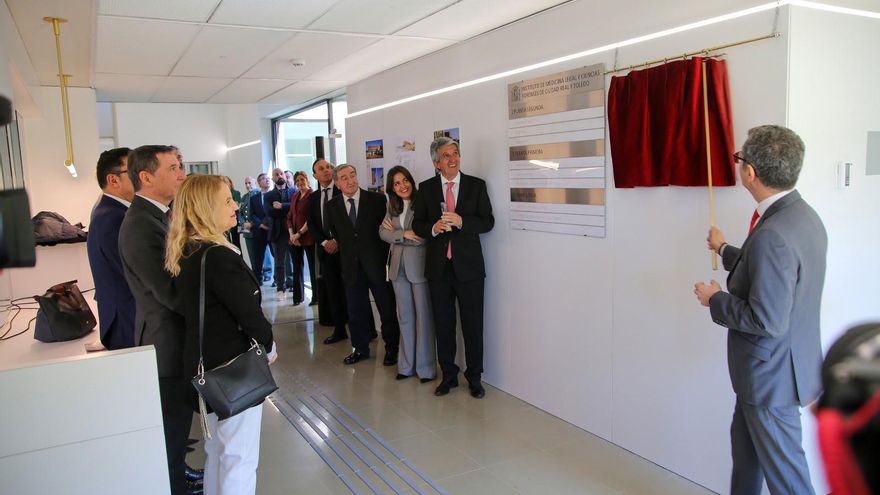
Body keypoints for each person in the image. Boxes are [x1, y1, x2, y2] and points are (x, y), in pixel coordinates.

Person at [694, 125, 827, 495]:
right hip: (778, 371)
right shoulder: (801, 217)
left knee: (789, 481)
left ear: (750, 172)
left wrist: (715, 299)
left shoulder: (772, 234)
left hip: (770, 379)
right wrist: (724, 250)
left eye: (740, 160)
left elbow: (765, 319)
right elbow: (773, 274)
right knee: (747, 461)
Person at [165, 174, 277, 495]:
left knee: (217, 453)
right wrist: (268, 346)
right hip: (232, 369)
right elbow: (249, 314)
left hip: (205, 369)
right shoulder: (218, 255)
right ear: (204, 208)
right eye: (227, 200)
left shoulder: (187, 250)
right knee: (239, 459)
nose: (235, 205)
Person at [118, 145, 196, 494]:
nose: (181, 174)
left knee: (178, 431)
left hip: (174, 341)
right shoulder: (139, 226)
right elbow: (171, 292)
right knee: (170, 434)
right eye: (174, 167)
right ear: (147, 176)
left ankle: (179, 477)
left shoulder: (158, 216)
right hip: (166, 345)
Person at [412, 136, 494, 399]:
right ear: (436, 162)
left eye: (455, 153)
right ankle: (448, 375)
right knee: (443, 324)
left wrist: (461, 221)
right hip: (439, 269)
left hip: (469, 269)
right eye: (446, 155)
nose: (453, 159)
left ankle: (475, 376)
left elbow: (488, 221)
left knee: (473, 325)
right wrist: (433, 229)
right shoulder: (425, 188)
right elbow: (419, 224)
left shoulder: (475, 185)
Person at [324, 164, 400, 365]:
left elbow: (385, 231)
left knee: (387, 309)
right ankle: (360, 349)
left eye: (352, 175)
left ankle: (392, 349)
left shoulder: (376, 200)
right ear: (337, 184)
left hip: (376, 265)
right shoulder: (331, 207)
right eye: (344, 178)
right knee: (356, 311)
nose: (350, 181)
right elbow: (337, 235)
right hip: (351, 268)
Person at [380, 166, 436, 382]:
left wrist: (397, 234)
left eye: (405, 181)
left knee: (423, 317)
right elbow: (382, 232)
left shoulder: (422, 202)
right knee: (404, 317)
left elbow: (424, 236)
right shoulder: (392, 206)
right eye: (396, 183)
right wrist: (404, 234)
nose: (402, 186)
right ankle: (406, 366)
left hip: (419, 267)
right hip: (397, 268)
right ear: (391, 187)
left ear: (411, 181)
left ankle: (426, 369)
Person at [86, 147, 136, 350]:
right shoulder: (113, 218)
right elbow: (132, 274)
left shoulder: (113, 212)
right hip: (127, 321)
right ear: (113, 180)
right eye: (132, 171)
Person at [307, 159, 349, 344]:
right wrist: (325, 242)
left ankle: (368, 329)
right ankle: (339, 330)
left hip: (346, 249)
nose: (326, 171)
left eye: (329, 167)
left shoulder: (343, 190)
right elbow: (313, 225)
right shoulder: (314, 198)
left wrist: (338, 241)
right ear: (315, 175)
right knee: (333, 292)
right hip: (326, 252)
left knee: (353, 290)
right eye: (321, 169)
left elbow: (350, 220)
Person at [286, 171, 315, 306]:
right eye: (297, 180)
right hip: (294, 238)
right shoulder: (295, 196)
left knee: (312, 267)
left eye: (302, 179)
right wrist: (292, 235)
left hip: (308, 236)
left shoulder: (313, 195)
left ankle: (316, 296)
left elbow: (311, 218)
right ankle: (298, 297)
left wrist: (299, 234)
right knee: (296, 267)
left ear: (307, 180)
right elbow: (290, 216)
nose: (299, 182)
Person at [266, 168, 293, 300]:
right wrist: (287, 209)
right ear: (273, 178)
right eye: (276, 174)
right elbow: (270, 212)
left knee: (294, 260)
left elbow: (295, 208)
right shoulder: (269, 195)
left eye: (281, 173)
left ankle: (293, 284)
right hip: (278, 232)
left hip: (293, 231)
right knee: (280, 262)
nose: (279, 176)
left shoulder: (294, 191)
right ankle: (280, 288)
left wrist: (282, 206)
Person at [247, 173, 273, 283]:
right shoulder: (254, 198)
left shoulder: (274, 195)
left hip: (273, 229)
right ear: (259, 183)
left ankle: (278, 280)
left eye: (268, 178)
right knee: (258, 257)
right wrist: (260, 224)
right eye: (263, 179)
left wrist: (269, 224)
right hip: (259, 230)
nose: (266, 180)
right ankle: (258, 279)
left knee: (277, 255)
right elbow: (252, 214)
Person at [219, 176, 241, 251]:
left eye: (226, 181)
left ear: (230, 183)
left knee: (236, 240)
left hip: (234, 217)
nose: (225, 183)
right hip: (224, 219)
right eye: (222, 181)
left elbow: (237, 204)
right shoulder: (219, 194)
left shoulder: (235, 193)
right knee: (226, 239)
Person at [239, 176, 257, 261]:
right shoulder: (244, 197)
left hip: (257, 229)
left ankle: (267, 274)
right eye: (246, 183)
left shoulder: (259, 194)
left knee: (263, 256)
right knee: (252, 256)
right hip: (247, 230)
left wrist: (252, 223)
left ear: (255, 183)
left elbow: (261, 213)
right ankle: (255, 274)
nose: (247, 185)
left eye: (249, 183)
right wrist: (243, 223)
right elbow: (240, 213)